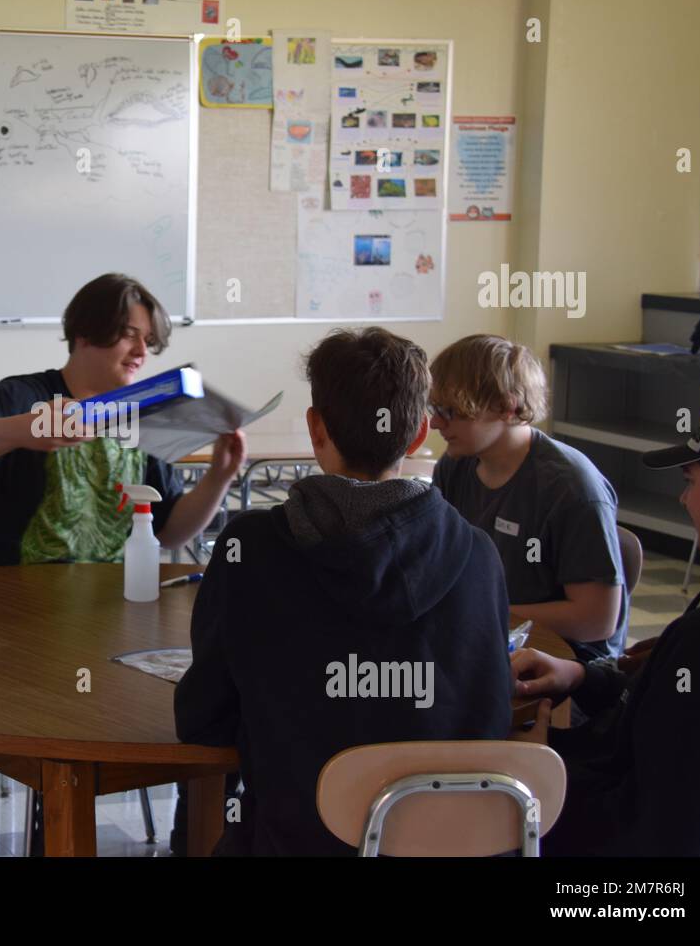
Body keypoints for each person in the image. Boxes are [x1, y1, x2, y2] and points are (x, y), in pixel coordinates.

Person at [175, 327, 513, 855]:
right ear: (421, 433)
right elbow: (490, 719)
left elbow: (203, 719)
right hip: (444, 847)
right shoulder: (478, 555)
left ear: (315, 428)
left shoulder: (250, 548)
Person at [511, 401, 700, 855]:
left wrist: (533, 779)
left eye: (691, 481)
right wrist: (581, 676)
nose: (682, 498)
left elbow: (659, 832)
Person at [0, 273, 245, 569]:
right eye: (128, 335)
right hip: (5, 605)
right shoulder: (23, 396)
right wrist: (23, 429)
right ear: (85, 334)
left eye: (147, 340)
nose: (141, 352)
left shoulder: (137, 413)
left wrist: (219, 477)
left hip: (102, 605)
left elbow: (169, 534)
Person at [429, 335, 627, 661]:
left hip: (566, 663)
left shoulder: (571, 487)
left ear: (508, 407)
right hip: (488, 638)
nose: (436, 422)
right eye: (435, 408)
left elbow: (596, 620)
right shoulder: (454, 466)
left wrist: (486, 612)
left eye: (451, 411)